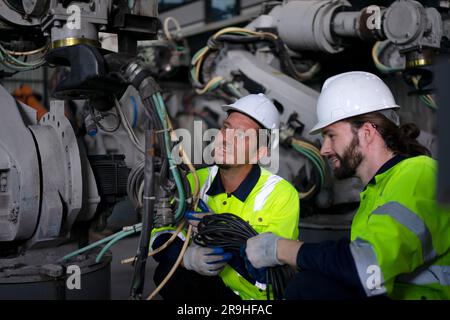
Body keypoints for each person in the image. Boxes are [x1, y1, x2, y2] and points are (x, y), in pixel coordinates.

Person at [245, 71, 450, 300]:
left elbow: (366, 265)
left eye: (331, 135)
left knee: (309, 287)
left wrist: (282, 249)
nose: (324, 149)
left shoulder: (419, 172)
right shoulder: (375, 191)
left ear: (367, 132)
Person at [151, 93, 300, 300]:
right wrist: (187, 258)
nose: (226, 139)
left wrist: (217, 231)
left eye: (240, 135)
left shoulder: (280, 195)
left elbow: (267, 273)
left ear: (260, 152)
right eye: (226, 128)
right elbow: (158, 235)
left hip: (253, 298)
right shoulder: (195, 181)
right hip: (212, 288)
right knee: (168, 272)